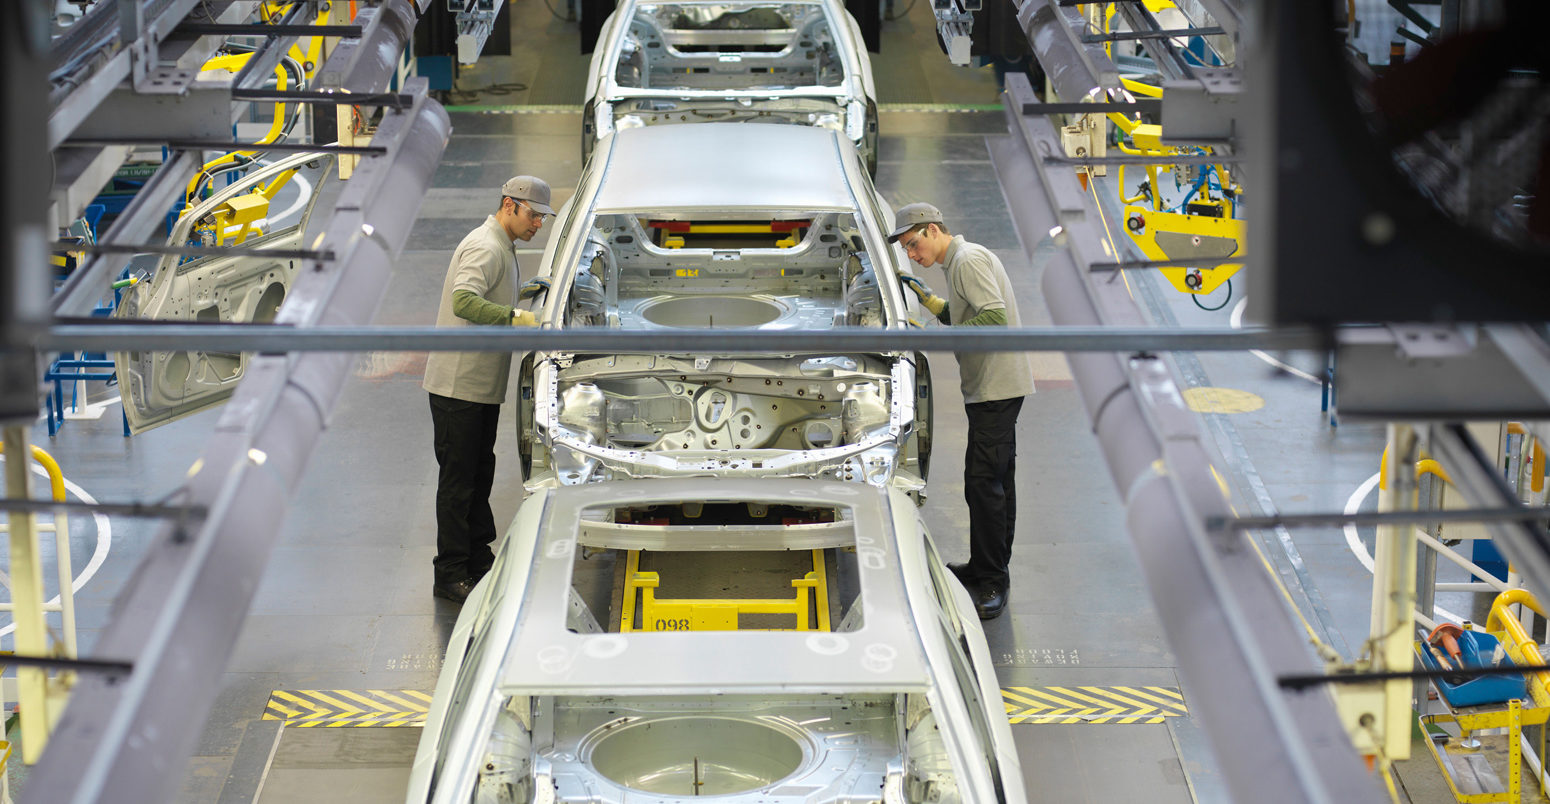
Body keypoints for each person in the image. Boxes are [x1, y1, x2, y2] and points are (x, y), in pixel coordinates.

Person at [889, 202, 1034, 620]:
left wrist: (934, 335)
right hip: (990, 388)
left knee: (984, 484)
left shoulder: (967, 260)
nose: (914, 256)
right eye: (907, 250)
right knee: (993, 481)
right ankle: (988, 566)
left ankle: (992, 582)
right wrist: (932, 302)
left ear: (934, 229)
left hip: (996, 388)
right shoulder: (957, 262)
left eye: (914, 245)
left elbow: (993, 318)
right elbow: (967, 312)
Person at [423, 175, 553, 603]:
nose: (538, 224)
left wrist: (527, 295)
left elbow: (491, 294)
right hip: (458, 386)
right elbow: (465, 300)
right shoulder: (485, 245)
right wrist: (518, 319)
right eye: (533, 215)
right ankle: (450, 572)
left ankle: (478, 556)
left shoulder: (504, 246)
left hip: (479, 387)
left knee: (480, 474)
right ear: (509, 205)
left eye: (541, 218)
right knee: (459, 481)